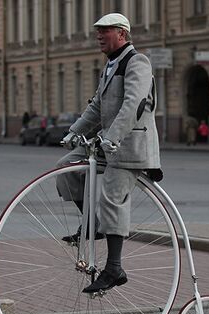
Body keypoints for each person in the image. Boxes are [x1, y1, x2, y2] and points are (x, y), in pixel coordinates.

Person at [57, 13, 161, 294]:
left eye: (105, 31)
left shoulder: (136, 62)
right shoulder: (110, 66)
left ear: (123, 34)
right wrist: (73, 132)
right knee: (67, 168)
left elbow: (134, 104)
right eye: (97, 32)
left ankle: (114, 267)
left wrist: (111, 137)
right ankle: (93, 224)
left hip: (130, 147)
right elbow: (96, 108)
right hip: (107, 145)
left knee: (112, 196)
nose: (99, 36)